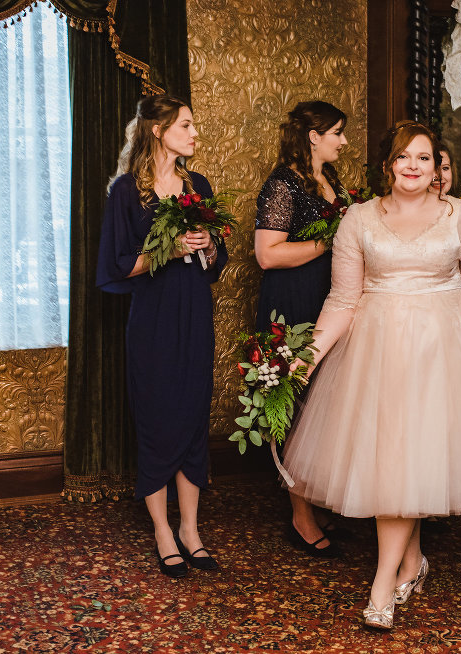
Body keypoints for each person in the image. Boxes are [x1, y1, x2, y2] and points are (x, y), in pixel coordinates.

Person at [281, 121, 461, 630]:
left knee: (414, 457)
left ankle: (383, 582)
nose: (413, 165)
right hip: (379, 352)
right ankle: (411, 562)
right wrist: (305, 358)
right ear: (388, 164)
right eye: (404, 156)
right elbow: (343, 300)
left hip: (443, 354)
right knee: (397, 459)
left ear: (436, 168)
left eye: (424, 158)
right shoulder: (358, 219)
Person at [96, 94, 228, 578]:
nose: (195, 134)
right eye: (187, 125)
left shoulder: (200, 185)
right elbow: (119, 265)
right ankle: (162, 531)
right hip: (152, 320)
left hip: (195, 313)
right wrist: (168, 250)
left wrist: (208, 244)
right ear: (158, 130)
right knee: (156, 418)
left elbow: (217, 265)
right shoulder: (127, 192)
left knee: (193, 416)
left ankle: (191, 530)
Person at [254, 100, 349, 558]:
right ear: (314, 136)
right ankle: (300, 513)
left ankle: (315, 496)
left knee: (323, 406)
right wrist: (329, 238)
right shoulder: (283, 184)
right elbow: (268, 254)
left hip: (330, 302)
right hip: (292, 304)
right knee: (293, 406)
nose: (343, 142)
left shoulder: (333, 181)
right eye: (337, 133)